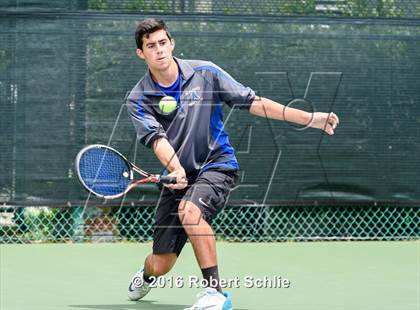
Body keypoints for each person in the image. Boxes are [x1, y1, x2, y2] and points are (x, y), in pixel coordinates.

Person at [126, 18, 339, 310]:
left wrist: (310, 118)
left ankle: (214, 294)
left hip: (217, 164)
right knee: (161, 264)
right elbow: (157, 139)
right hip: (178, 174)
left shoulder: (205, 73)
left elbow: (254, 102)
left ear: (172, 43)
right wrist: (175, 168)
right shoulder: (138, 98)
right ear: (141, 53)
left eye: (163, 42)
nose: (159, 50)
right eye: (151, 46)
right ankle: (146, 275)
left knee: (190, 211)